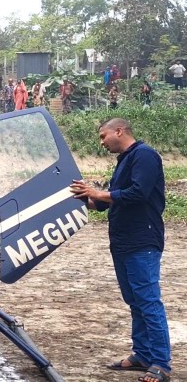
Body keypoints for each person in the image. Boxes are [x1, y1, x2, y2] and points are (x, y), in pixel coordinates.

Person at [70, 119, 171, 382]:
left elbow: (138, 193)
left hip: (142, 240)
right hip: (123, 241)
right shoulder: (125, 160)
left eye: (103, 136)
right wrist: (88, 199)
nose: (101, 142)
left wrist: (98, 192)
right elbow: (109, 202)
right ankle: (143, 354)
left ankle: (161, 362)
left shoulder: (145, 155)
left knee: (148, 300)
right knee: (134, 300)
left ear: (119, 131)